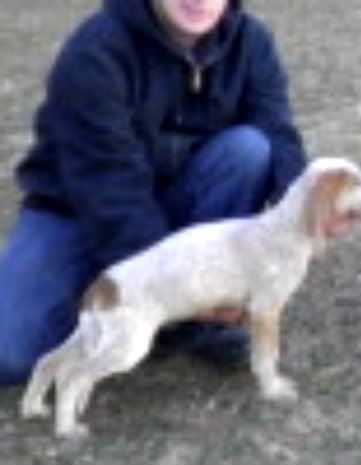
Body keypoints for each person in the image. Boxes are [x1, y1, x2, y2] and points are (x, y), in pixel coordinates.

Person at [0, 0, 307, 384]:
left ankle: (189, 322)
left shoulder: (251, 42)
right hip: (78, 211)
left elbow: (279, 134)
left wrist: (303, 216)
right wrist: (168, 282)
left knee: (249, 150)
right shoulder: (95, 52)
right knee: (10, 353)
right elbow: (107, 186)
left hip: (182, 206)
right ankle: (133, 298)